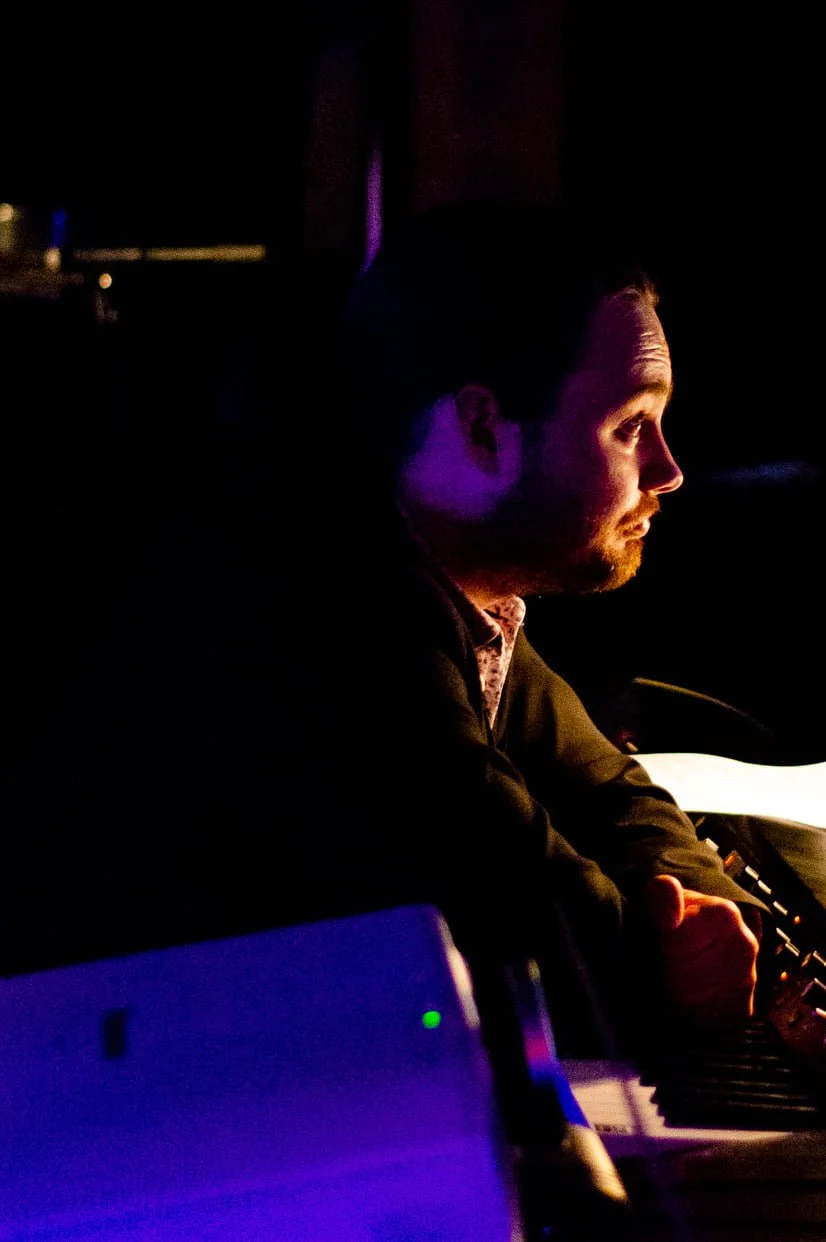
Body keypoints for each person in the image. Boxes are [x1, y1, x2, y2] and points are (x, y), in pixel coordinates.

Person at [0, 203, 760, 1034]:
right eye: (629, 426)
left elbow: (611, 792)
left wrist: (701, 909)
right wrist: (667, 953)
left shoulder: (433, 567)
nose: (668, 470)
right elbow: (539, 929)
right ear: (482, 426)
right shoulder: (323, 603)